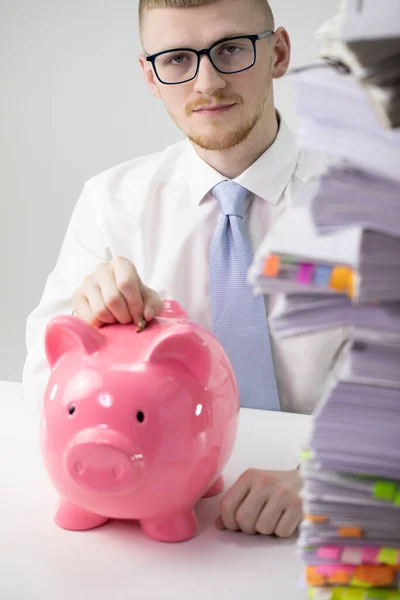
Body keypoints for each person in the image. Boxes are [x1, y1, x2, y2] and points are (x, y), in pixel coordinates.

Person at [23, 0, 343, 538]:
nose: (208, 82)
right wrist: (93, 327)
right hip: (161, 519)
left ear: (279, 53)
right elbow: (43, 382)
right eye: (176, 59)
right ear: (151, 75)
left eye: (232, 49)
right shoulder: (111, 203)